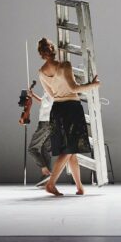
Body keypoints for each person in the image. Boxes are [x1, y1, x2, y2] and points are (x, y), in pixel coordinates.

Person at [36, 38, 101, 196]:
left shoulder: (41, 72)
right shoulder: (64, 65)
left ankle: (79, 187)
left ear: (41, 54)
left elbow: (51, 94)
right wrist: (93, 85)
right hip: (71, 108)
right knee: (70, 149)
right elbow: (74, 88)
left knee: (71, 150)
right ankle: (51, 183)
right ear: (52, 49)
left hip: (57, 109)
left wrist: (60, 89)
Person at [25, 87, 54, 187]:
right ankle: (47, 180)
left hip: (45, 123)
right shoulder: (49, 90)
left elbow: (47, 102)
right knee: (45, 149)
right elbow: (43, 101)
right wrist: (33, 95)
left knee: (32, 149)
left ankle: (46, 172)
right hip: (50, 123)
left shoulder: (51, 90)